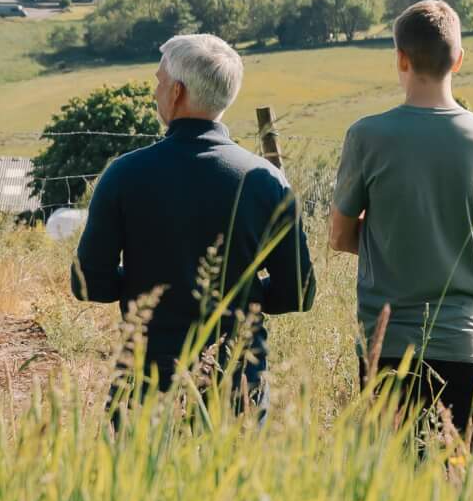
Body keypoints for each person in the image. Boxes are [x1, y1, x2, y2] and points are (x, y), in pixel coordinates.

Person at [71, 33, 313, 412]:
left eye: (159, 82)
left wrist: (141, 285)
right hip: (237, 379)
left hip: (147, 380)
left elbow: (90, 284)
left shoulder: (124, 175)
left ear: (178, 92)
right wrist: (243, 294)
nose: (155, 92)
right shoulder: (266, 181)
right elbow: (298, 292)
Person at [329, 0, 473, 456]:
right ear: (459, 59)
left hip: (386, 345)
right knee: (467, 483)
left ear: (400, 58)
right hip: (467, 343)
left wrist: (388, 240)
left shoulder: (366, 136)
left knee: (393, 489)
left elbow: (338, 235)